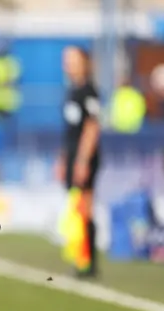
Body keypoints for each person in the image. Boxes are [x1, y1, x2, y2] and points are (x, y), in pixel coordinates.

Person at [55, 46, 101, 278]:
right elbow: (70, 131)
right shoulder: (71, 91)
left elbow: (92, 128)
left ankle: (89, 262)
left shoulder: (89, 91)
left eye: (72, 60)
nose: (67, 64)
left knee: (85, 207)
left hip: (85, 158)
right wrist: (64, 159)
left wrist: (82, 160)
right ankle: (80, 258)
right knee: (77, 207)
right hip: (73, 157)